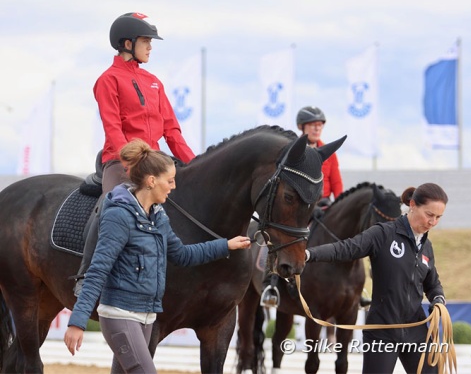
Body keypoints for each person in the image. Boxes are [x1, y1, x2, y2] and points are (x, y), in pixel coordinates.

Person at [64, 139, 251, 373]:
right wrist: (77, 322)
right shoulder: (118, 216)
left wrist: (226, 245)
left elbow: (183, 255)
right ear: (152, 181)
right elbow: (98, 270)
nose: (173, 186)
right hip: (120, 315)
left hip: (146, 316)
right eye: (170, 180)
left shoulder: (158, 217)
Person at [74, 12, 195, 295]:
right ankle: (86, 275)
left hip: (157, 162)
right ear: (127, 43)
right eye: (145, 41)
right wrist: (133, 164)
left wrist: (193, 164)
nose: (150, 47)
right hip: (120, 161)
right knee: (109, 202)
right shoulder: (108, 79)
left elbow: (172, 131)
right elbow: (113, 127)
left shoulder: (154, 82)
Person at [304, 183, 448, 374]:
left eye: (438, 217)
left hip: (416, 331)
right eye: (429, 215)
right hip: (382, 332)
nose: (432, 222)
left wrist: (438, 298)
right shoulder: (382, 234)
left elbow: (433, 283)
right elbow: (345, 248)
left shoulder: (426, 246)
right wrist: (307, 255)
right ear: (412, 205)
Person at [260, 106, 343, 308]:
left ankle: (352, 287)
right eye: (313, 125)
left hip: (323, 206)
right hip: (299, 208)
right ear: (301, 127)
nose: (317, 129)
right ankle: (271, 283)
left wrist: (338, 206)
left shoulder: (328, 152)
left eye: (320, 125)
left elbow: (337, 182)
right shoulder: (293, 150)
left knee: (343, 234)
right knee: (279, 236)